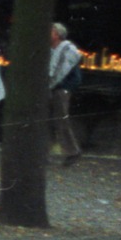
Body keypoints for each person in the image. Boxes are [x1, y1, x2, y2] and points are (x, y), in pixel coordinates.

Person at [48, 22, 83, 166]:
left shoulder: (66, 50)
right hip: (53, 88)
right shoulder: (52, 50)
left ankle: (72, 152)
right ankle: (45, 152)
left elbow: (58, 72)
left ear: (57, 34)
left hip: (61, 89)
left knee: (61, 120)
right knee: (48, 121)